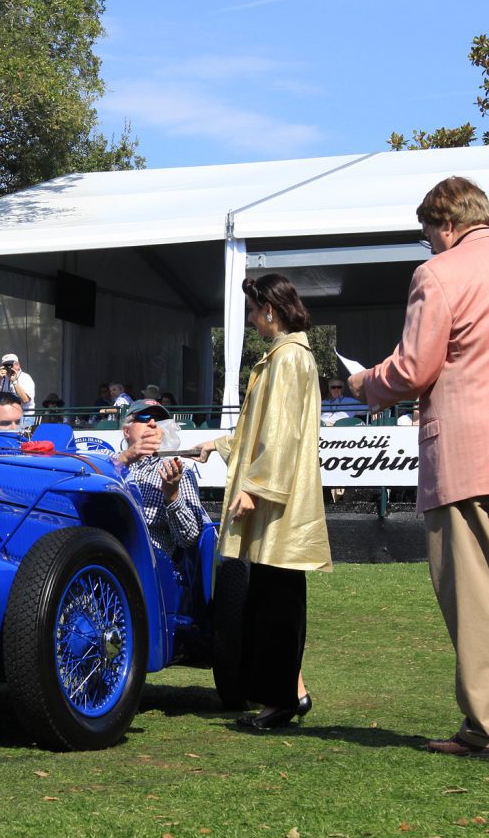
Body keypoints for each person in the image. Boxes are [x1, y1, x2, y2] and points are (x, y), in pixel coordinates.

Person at [348, 176, 489, 759]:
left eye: (429, 236)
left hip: (468, 455)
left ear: (445, 225)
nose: (429, 247)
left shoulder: (439, 274)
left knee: (477, 596)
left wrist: (364, 383)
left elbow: (415, 368)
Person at [191, 273, 331, 731]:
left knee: (277, 602)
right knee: (275, 597)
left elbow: (282, 435)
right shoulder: (285, 358)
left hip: (278, 502)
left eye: (254, 311)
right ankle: (291, 692)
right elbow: (265, 427)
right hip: (277, 496)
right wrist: (220, 444)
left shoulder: (289, 359)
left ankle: (281, 701)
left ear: (270, 309)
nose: (252, 320)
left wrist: (254, 487)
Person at [117, 399, 205, 558]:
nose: (152, 423)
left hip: (150, 560)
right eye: (144, 417)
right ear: (127, 431)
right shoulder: (107, 461)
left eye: (159, 420)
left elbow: (189, 538)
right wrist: (126, 459)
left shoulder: (178, 470)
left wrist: (172, 496)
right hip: (104, 551)